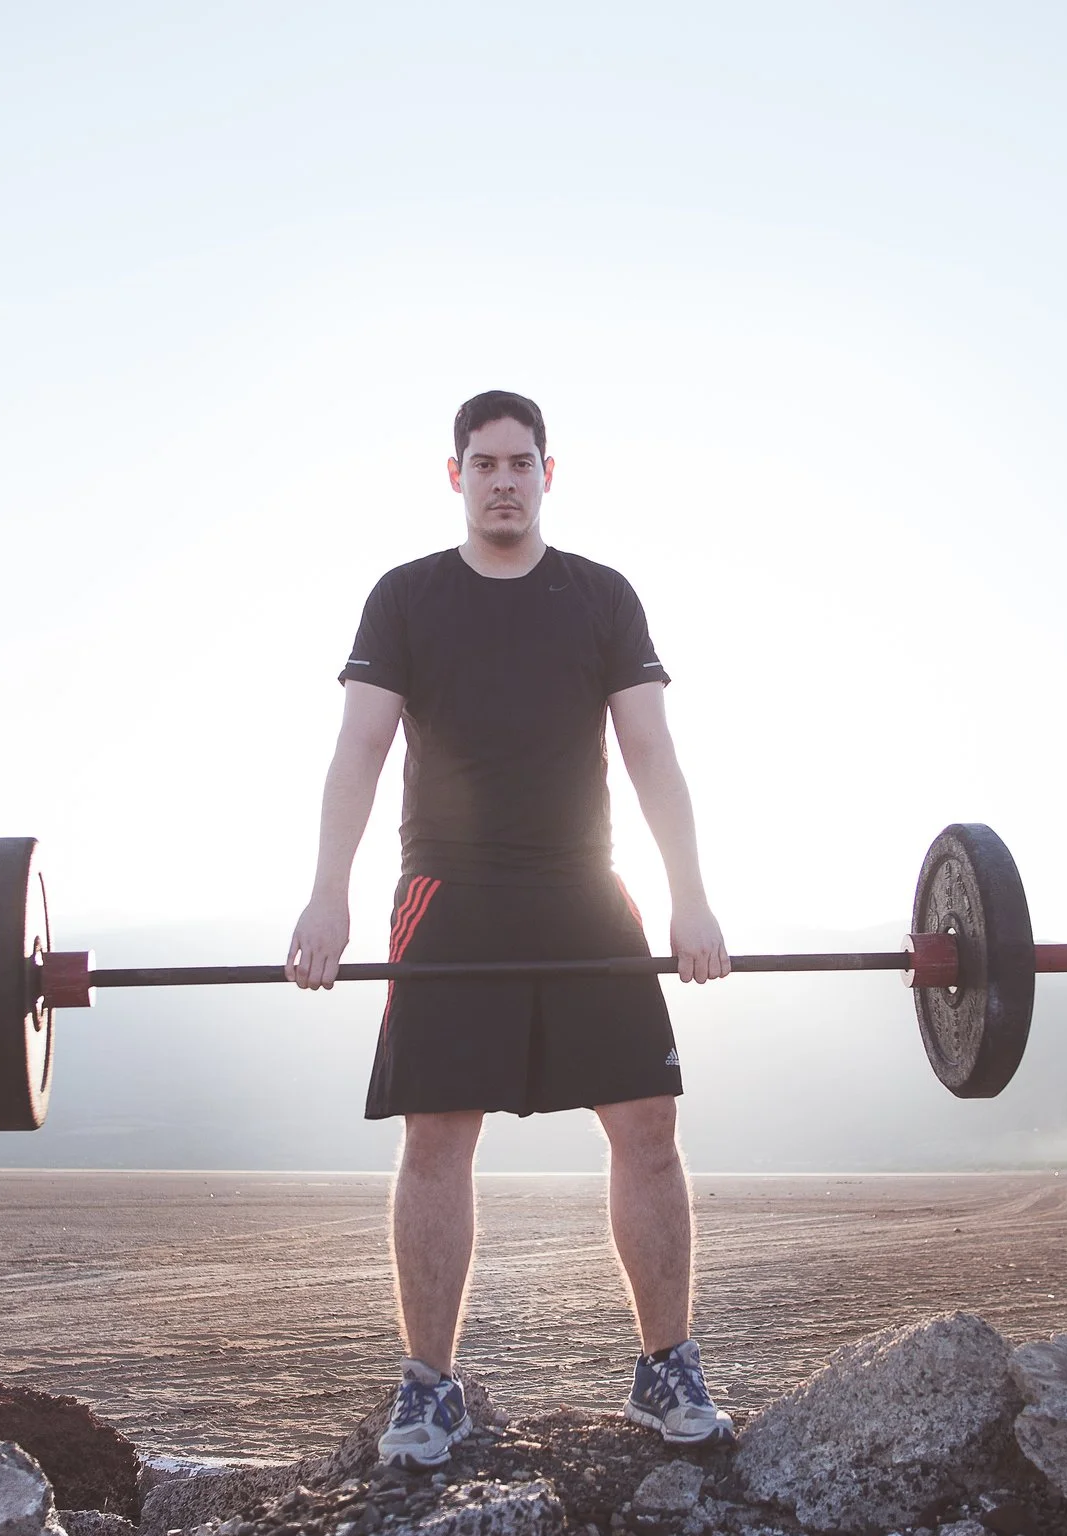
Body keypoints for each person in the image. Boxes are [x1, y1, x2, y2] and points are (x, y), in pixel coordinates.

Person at [285, 390, 735, 1470]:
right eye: (482, 462)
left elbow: (651, 751)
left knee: (648, 1122)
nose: (501, 480)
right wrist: (327, 894)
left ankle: (665, 1366)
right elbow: (359, 750)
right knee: (437, 1134)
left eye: (519, 462)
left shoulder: (600, 595)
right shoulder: (406, 597)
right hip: (450, 894)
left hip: (585, 888)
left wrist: (689, 895)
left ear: (547, 473)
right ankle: (429, 1386)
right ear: (456, 475)